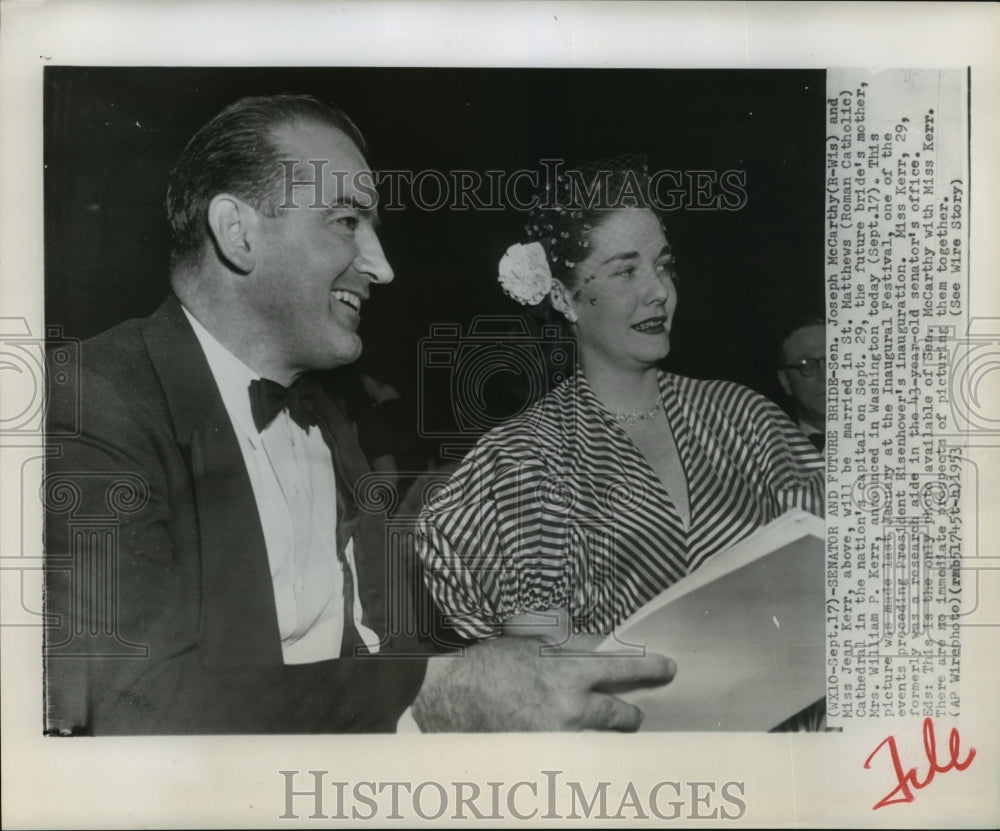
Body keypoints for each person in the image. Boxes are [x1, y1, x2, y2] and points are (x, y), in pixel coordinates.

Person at [43, 96, 674, 735]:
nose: (381, 266)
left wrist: (520, 645)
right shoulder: (89, 404)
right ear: (238, 233)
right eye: (345, 221)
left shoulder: (327, 415)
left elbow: (378, 644)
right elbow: (131, 708)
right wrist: (443, 699)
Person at [417, 159, 825, 645]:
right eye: (626, 271)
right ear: (564, 299)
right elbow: (548, 660)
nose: (659, 292)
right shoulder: (520, 458)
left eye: (663, 267)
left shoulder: (746, 417)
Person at [777, 317, 826, 455]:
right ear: (785, 380)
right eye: (807, 365)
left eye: (835, 360)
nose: (826, 375)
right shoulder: (774, 453)